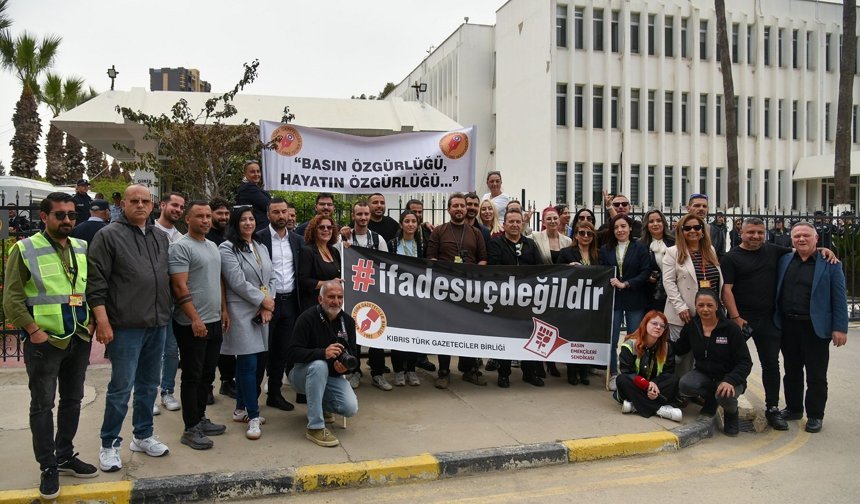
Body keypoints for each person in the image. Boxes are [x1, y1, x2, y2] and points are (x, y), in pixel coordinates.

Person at [2, 192, 97, 499]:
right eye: (60, 215)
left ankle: (65, 454)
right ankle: (48, 465)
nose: (68, 220)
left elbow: (89, 287)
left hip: (78, 336)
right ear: (44, 217)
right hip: (45, 341)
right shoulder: (25, 248)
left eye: (71, 214)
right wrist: (32, 330)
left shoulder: (81, 247)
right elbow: (12, 298)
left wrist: (93, 321)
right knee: (43, 405)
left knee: (73, 400)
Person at [88, 184, 172, 473]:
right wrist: (102, 321)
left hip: (157, 323)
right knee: (120, 388)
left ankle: (143, 435)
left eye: (145, 201)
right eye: (133, 200)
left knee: (149, 385)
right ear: (122, 204)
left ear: (153, 205)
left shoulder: (160, 237)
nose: (140, 205)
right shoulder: (108, 236)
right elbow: (96, 283)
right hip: (125, 326)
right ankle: (109, 443)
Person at [720, 217, 794, 431]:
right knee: (730, 362)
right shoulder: (732, 258)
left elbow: (800, 250)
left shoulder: (773, 251)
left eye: (760, 232)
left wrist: (825, 251)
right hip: (741, 320)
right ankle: (726, 405)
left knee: (771, 364)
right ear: (741, 233)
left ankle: (772, 408)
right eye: (751, 232)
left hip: (768, 320)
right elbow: (727, 290)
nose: (756, 236)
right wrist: (735, 317)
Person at [774, 222, 848, 433]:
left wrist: (840, 328)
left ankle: (815, 415)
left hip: (815, 328)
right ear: (792, 240)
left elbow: (839, 298)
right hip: (788, 326)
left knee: (816, 375)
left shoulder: (830, 263)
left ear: (816, 238)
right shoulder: (784, 260)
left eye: (806, 235)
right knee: (792, 371)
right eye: (797, 236)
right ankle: (794, 408)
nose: (801, 239)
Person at [169, 201, 228, 450]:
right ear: (187, 219)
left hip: (214, 320)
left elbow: (218, 280)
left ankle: (200, 418)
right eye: (199, 216)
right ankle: (190, 428)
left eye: (207, 216)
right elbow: (179, 286)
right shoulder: (180, 248)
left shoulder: (212, 246)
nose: (205, 220)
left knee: (207, 374)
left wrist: (224, 310)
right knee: (192, 376)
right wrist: (194, 318)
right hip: (192, 324)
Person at [220, 206, 276, 440]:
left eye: (251, 219)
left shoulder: (260, 246)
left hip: (262, 311)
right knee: (247, 365)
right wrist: (263, 300)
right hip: (241, 311)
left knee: (256, 362)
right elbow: (237, 282)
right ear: (235, 223)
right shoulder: (227, 248)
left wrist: (267, 303)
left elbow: (271, 277)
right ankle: (253, 416)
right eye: (243, 219)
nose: (248, 223)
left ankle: (241, 409)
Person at [287, 280, 359, 447]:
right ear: (320, 299)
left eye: (340, 297)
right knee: (319, 365)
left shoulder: (347, 321)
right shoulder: (307, 318)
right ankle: (315, 427)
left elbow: (353, 355)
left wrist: (344, 368)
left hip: (330, 374)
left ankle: (322, 407)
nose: (336, 301)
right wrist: (322, 353)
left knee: (350, 408)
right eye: (331, 296)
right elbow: (292, 353)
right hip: (300, 374)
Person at [427, 192, 487, 388]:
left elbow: (483, 259)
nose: (460, 209)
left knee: (468, 330)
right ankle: (443, 371)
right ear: (449, 209)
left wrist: (473, 273)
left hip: (468, 290)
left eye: (462, 206)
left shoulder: (476, 233)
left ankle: (469, 369)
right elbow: (432, 259)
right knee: (445, 331)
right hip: (445, 290)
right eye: (456, 206)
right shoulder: (439, 231)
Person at [676, 289, 753, 436]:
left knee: (725, 394)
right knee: (685, 385)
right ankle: (711, 399)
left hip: (730, 378)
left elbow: (745, 362)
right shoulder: (692, 326)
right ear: (696, 306)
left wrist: (730, 380)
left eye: (709, 305)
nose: (705, 309)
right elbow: (680, 347)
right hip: (705, 374)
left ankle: (731, 413)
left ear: (717, 306)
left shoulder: (731, 328)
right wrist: (655, 341)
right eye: (701, 305)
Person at [255, 198, 304, 412]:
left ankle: (274, 394)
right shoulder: (259, 239)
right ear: (268, 215)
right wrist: (262, 302)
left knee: (282, 352)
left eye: (284, 212)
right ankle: (251, 398)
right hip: (266, 303)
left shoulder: (297, 240)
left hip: (290, 302)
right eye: (276, 212)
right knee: (261, 352)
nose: (281, 216)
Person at [662, 213, 722, 378]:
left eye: (697, 227)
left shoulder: (710, 250)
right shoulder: (673, 252)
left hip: (708, 313)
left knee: (704, 355)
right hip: (683, 314)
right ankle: (680, 390)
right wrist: (681, 307)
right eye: (687, 228)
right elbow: (668, 282)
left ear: (703, 230)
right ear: (681, 231)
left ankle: (698, 390)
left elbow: (716, 280)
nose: (692, 231)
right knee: (682, 358)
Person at [487, 208, 543, 387]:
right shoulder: (496, 243)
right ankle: (504, 373)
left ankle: (529, 372)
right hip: (505, 299)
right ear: (504, 225)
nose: (515, 225)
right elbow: (494, 268)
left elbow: (539, 267)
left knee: (529, 335)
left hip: (527, 300)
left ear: (522, 224)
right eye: (511, 222)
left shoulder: (530, 244)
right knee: (506, 336)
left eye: (518, 222)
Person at [599, 214, 651, 391]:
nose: (619, 230)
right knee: (612, 339)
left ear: (630, 228)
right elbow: (601, 271)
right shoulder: (605, 249)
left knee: (634, 339)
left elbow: (645, 272)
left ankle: (631, 373)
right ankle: (613, 373)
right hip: (613, 300)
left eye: (623, 226)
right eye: (616, 228)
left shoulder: (641, 248)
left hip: (635, 299)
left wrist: (627, 284)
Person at [342, 200, 391, 391]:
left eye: (366, 214)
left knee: (376, 334)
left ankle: (378, 373)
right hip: (352, 295)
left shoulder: (378, 240)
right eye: (359, 214)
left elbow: (386, 266)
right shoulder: (344, 239)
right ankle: (354, 372)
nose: (363, 218)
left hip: (373, 295)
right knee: (352, 334)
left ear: (370, 216)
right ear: (353, 216)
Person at [615, 311, 681, 422]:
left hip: (656, 386)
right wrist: (647, 386)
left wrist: (654, 383)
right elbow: (626, 372)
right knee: (622, 379)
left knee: (674, 379)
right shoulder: (630, 345)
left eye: (662, 326)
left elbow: (668, 373)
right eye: (654, 323)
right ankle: (659, 409)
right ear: (645, 324)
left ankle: (635, 406)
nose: (658, 327)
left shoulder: (667, 347)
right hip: (637, 385)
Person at [153, 192, 186, 416]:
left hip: (176, 302)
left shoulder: (181, 237)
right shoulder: (149, 232)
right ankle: (148, 395)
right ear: (162, 205)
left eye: (181, 207)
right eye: (174, 205)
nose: (177, 209)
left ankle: (167, 391)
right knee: (152, 352)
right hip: (153, 302)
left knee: (172, 351)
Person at [557, 219, 598, 386]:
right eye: (582, 233)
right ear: (576, 235)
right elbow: (557, 272)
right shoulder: (567, 252)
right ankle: (572, 372)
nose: (586, 236)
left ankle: (584, 371)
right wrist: (568, 267)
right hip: (571, 301)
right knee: (572, 336)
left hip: (591, 301)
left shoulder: (598, 253)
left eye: (589, 233)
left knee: (586, 335)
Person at [387, 210, 425, 387]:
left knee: (414, 334)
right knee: (397, 335)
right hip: (397, 296)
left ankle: (411, 369)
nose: (410, 224)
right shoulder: (392, 244)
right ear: (401, 224)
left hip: (416, 296)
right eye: (407, 221)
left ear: (418, 225)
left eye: (414, 221)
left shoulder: (422, 245)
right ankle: (399, 371)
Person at [206, 197, 235, 399]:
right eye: (219, 213)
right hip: (210, 296)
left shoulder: (231, 236)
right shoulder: (207, 238)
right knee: (209, 347)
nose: (224, 217)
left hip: (229, 295)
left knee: (227, 343)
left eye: (226, 213)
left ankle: (227, 381)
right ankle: (206, 387)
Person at [299, 215, 342, 311]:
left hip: (333, 305)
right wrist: (329, 283)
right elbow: (303, 281)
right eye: (321, 227)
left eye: (329, 227)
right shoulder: (307, 251)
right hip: (314, 305)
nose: (326, 230)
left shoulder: (334, 251)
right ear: (314, 230)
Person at [640, 209, 675, 313]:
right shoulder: (640, 245)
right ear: (646, 224)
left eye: (658, 221)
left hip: (672, 291)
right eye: (651, 221)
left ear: (663, 223)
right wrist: (647, 277)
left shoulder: (674, 242)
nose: (655, 224)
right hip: (650, 293)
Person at [235, 160, 271, 231]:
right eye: (252, 172)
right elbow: (268, 205)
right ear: (245, 174)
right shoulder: (248, 188)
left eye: (258, 171)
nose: (256, 174)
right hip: (257, 229)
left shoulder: (255, 187)